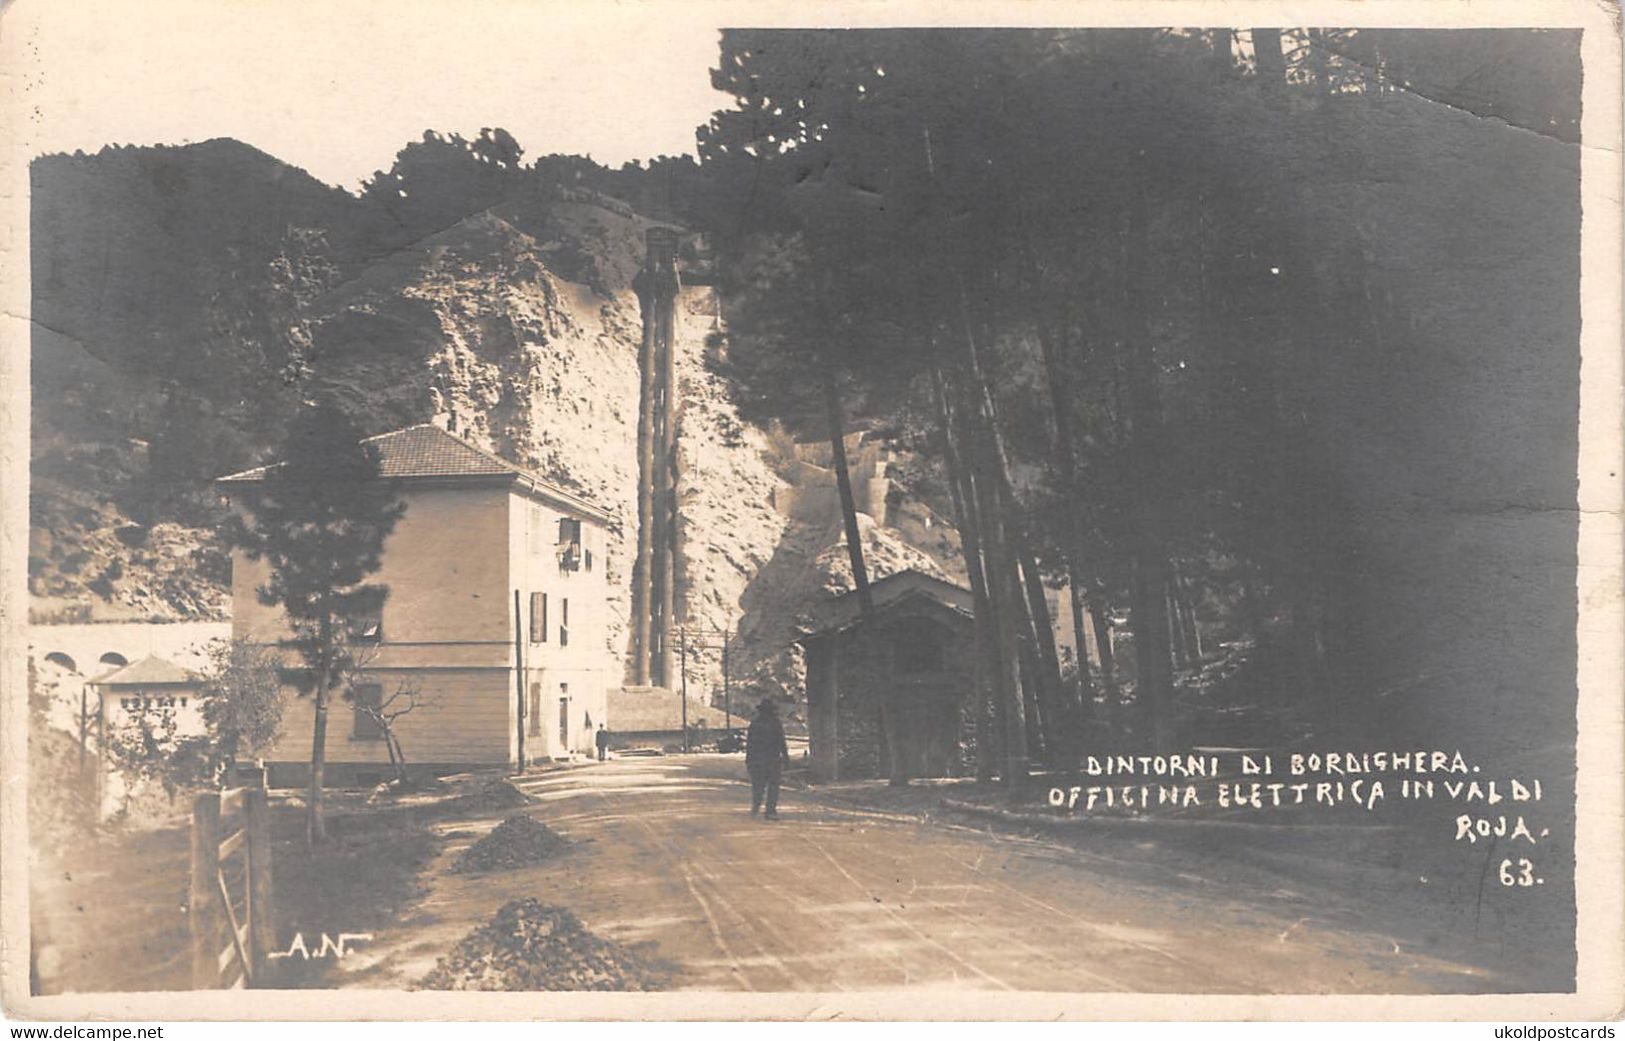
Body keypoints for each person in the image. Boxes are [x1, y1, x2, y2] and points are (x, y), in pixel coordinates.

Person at [746, 698, 790, 820]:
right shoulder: (775, 723)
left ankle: (758, 806)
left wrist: (749, 760)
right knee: (772, 786)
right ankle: (769, 810)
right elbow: (782, 742)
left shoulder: (755, 724)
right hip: (771, 759)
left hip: (761, 759)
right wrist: (786, 758)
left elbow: (749, 744)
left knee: (759, 785)